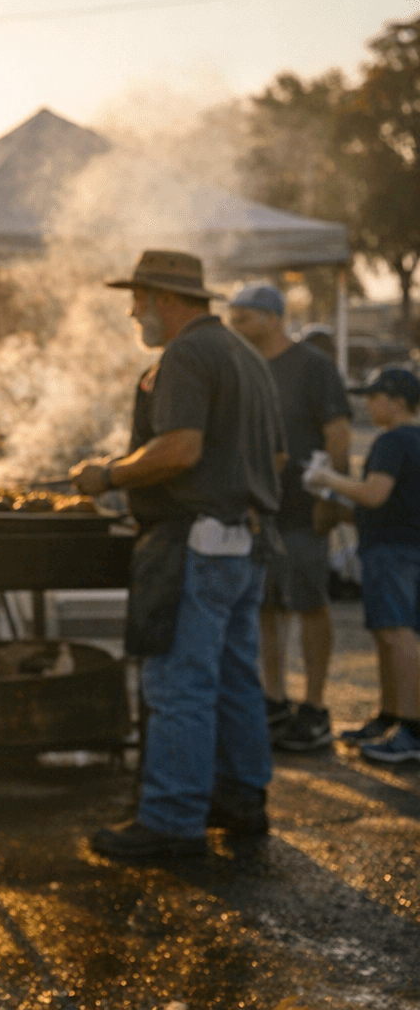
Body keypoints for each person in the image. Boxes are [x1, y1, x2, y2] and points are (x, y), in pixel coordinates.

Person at [71, 250, 285, 858]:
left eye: (136, 300)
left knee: (179, 685)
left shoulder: (187, 353)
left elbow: (181, 449)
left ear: (165, 299)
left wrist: (108, 475)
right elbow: (272, 460)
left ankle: (172, 819)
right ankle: (242, 801)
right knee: (236, 679)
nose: (133, 312)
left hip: (194, 541)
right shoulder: (246, 356)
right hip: (242, 541)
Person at [227, 285, 351, 751]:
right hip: (261, 510)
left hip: (303, 510)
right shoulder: (245, 366)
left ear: (272, 318)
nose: (235, 327)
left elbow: (337, 432)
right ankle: (274, 698)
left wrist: (330, 496)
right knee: (265, 605)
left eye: (244, 318)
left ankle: (315, 707)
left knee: (310, 604)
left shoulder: (313, 368)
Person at [305, 367, 420, 763]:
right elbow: (395, 506)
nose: (368, 405)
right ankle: (390, 717)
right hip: (408, 547)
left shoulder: (391, 441)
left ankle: (412, 729)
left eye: (374, 397)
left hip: (390, 553)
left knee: (398, 635)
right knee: (390, 634)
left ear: (398, 401)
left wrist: (327, 479)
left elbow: (373, 494)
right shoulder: (417, 441)